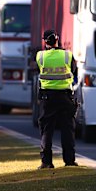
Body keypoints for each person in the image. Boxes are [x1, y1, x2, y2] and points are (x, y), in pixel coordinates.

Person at [36, 29, 78, 169]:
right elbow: (74, 71)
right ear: (57, 39)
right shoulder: (67, 55)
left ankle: (46, 162)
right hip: (65, 96)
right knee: (67, 129)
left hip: (47, 97)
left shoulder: (40, 56)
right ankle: (69, 161)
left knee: (47, 130)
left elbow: (38, 71)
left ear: (45, 41)